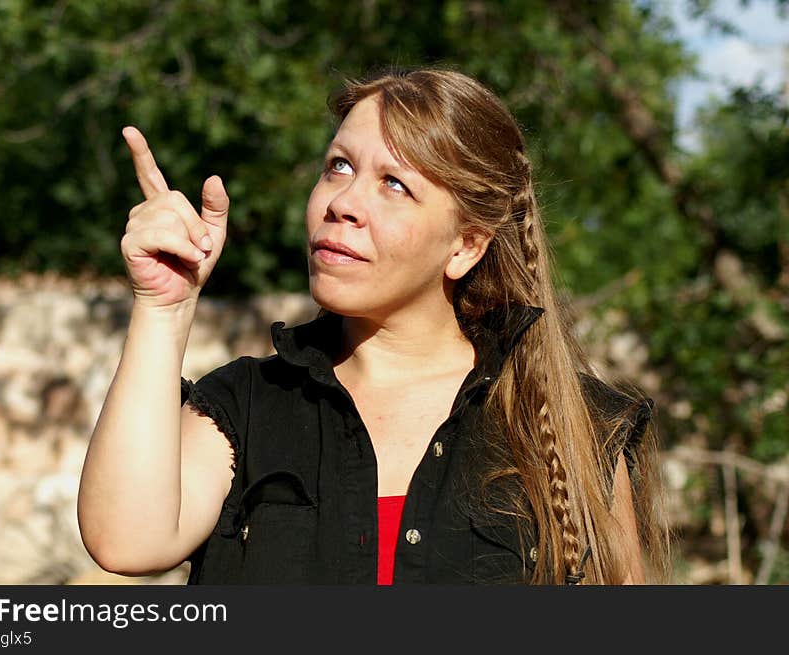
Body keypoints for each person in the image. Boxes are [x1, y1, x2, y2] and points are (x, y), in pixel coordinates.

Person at [77, 67, 671, 585]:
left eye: (394, 184)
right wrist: (163, 307)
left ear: (466, 245)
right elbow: (127, 541)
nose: (343, 202)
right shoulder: (248, 407)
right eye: (339, 166)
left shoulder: (572, 429)